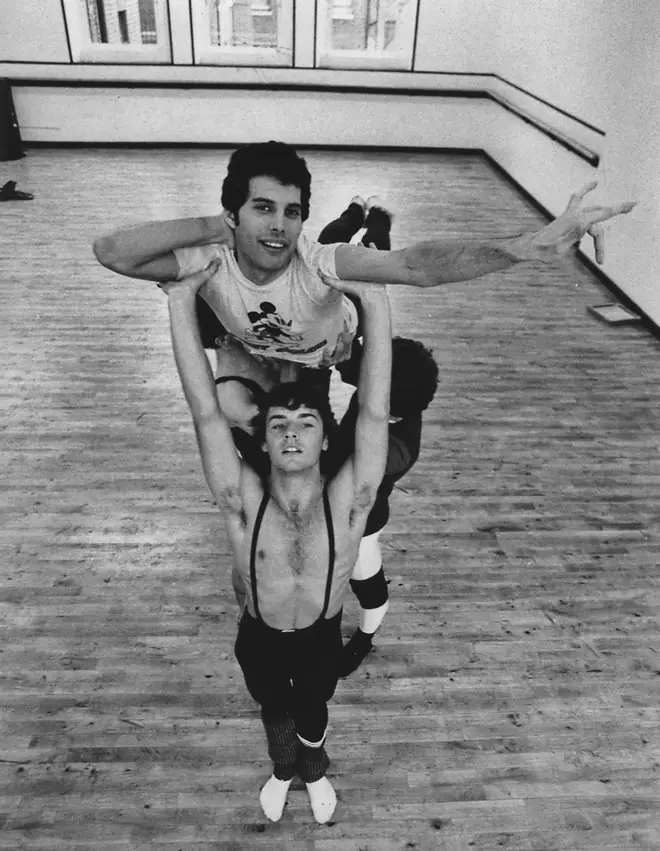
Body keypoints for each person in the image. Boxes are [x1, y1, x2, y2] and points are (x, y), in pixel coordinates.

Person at [93, 140, 635, 428]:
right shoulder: (209, 257)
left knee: (323, 420)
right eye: (262, 209)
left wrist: (524, 246)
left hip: (333, 346)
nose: (279, 225)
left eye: (291, 211)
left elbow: (417, 267)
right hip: (259, 348)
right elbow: (112, 251)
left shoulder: (317, 258)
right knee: (240, 414)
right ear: (233, 212)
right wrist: (219, 227)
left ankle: (374, 216)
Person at [160, 259, 393, 825]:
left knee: (313, 705)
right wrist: (178, 303)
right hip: (259, 637)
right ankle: (283, 767)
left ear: (324, 435)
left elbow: (375, 412)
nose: (291, 431)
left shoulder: (350, 503)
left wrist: (375, 303)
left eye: (306, 422)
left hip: (318, 638)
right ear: (262, 442)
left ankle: (313, 765)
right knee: (272, 705)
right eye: (279, 424)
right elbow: (205, 413)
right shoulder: (242, 502)